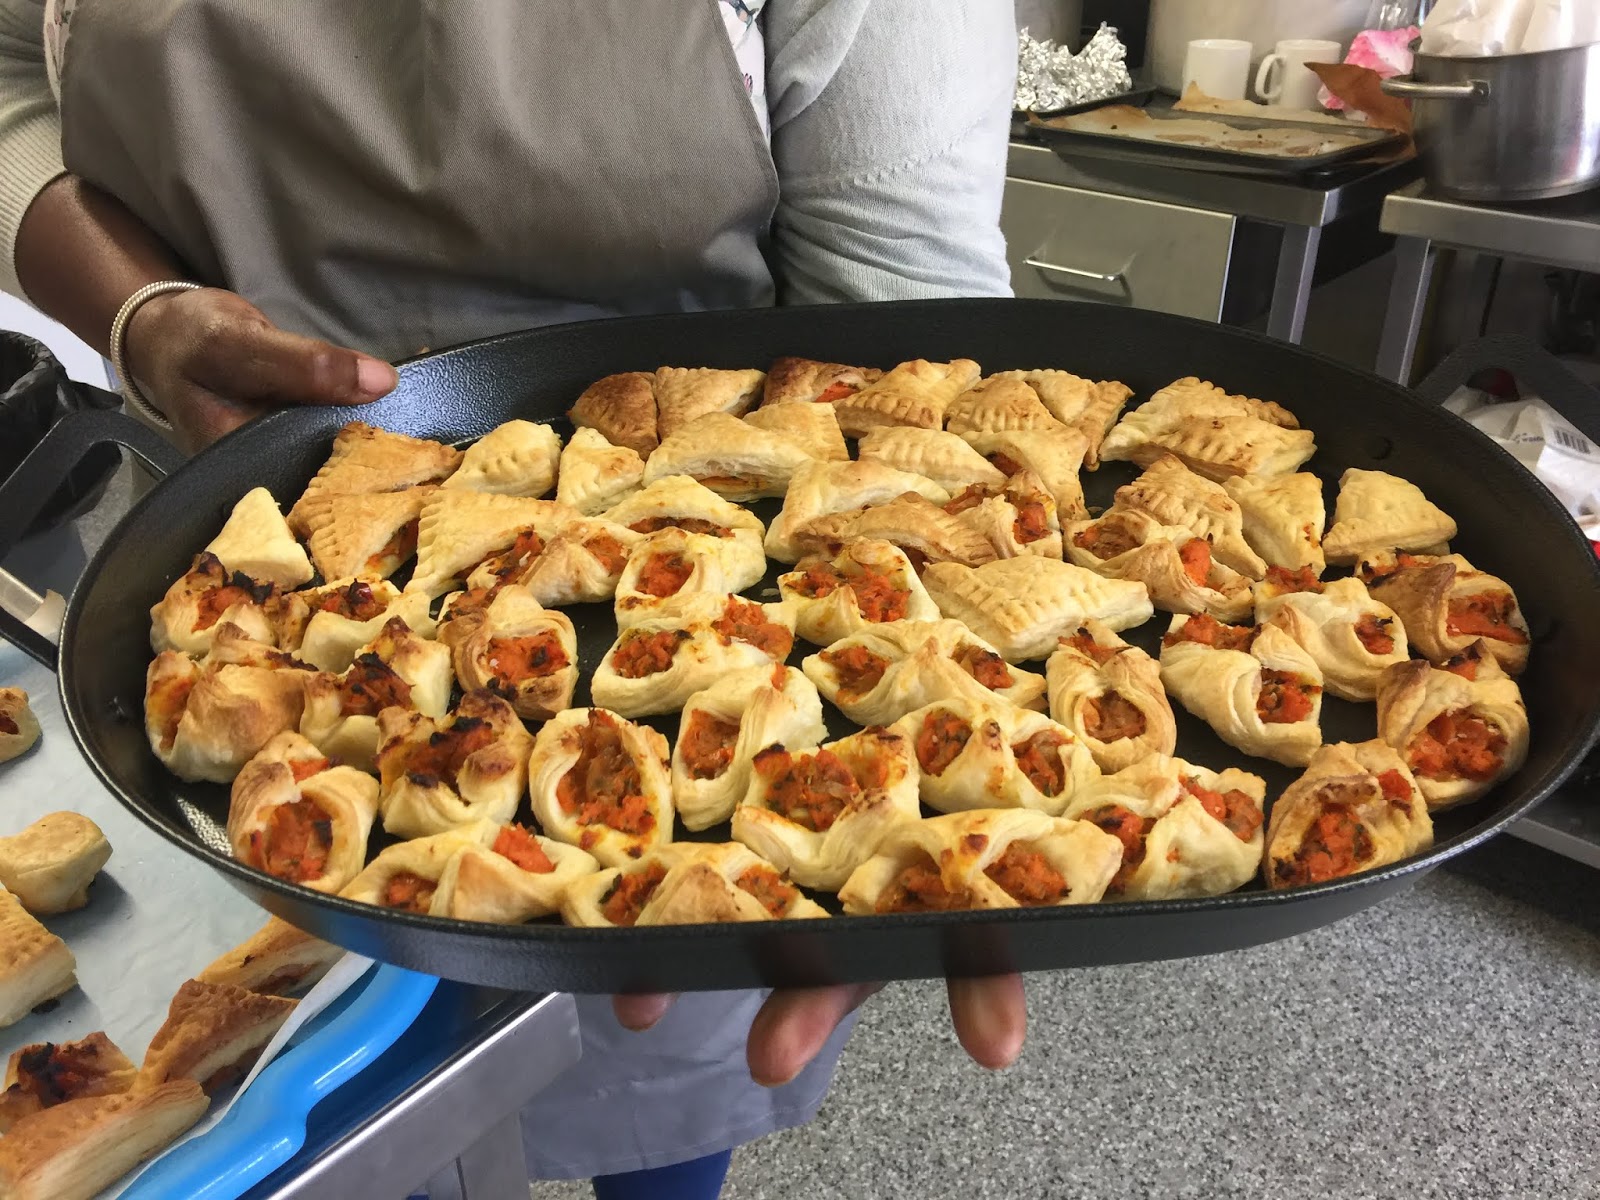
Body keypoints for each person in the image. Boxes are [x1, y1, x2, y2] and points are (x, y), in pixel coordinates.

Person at [0, 1, 1029, 1194]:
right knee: (285, 1122)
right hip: (244, 538)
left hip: (699, 492)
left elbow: (899, 319)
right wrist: (139, 313)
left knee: (659, 1079)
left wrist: (934, 698)